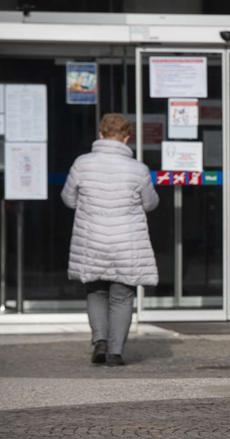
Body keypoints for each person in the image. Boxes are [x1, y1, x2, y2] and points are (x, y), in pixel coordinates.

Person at [61, 113, 159, 367]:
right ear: (127, 138)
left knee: (95, 291)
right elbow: (150, 203)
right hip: (126, 243)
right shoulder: (138, 169)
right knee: (122, 297)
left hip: (91, 240)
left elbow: (68, 199)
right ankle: (115, 353)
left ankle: (100, 341)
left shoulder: (82, 164)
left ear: (100, 135)